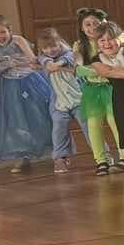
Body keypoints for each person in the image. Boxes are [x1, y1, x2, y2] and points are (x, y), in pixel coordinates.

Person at [0, 16, 54, 173]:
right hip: (9, 86)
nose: (0, 36)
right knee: (16, 120)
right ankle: (22, 155)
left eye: (3, 32)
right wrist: (7, 64)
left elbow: (33, 60)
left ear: (10, 31)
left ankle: (56, 150)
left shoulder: (18, 40)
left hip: (29, 81)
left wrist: (22, 62)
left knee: (39, 114)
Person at [72, 10, 124, 176]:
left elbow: (118, 64)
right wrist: (100, 70)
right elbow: (78, 69)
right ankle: (101, 160)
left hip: (112, 86)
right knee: (93, 125)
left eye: (95, 23)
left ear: (104, 22)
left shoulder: (114, 39)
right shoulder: (80, 45)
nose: (92, 27)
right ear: (81, 28)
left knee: (115, 122)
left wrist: (101, 70)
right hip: (92, 89)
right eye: (87, 24)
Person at [91, 22, 124, 185]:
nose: (107, 43)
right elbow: (109, 71)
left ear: (120, 38)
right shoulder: (96, 60)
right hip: (120, 97)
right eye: (102, 40)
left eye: (111, 39)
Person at [34, 26, 87, 174]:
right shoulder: (43, 58)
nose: (50, 50)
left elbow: (67, 59)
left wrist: (56, 65)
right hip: (59, 102)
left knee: (87, 125)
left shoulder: (70, 54)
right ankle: (60, 158)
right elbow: (44, 60)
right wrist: (47, 64)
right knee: (58, 127)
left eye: (53, 46)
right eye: (46, 48)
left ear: (60, 43)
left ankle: (102, 154)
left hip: (79, 99)